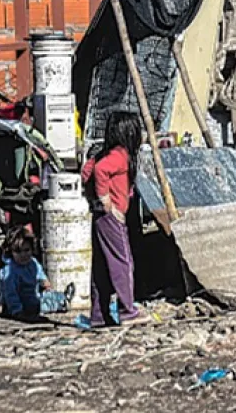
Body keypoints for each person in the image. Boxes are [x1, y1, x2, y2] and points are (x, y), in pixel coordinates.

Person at [81, 111, 150, 326]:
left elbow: (87, 170)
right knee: (123, 262)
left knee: (102, 265)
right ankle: (128, 311)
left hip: (100, 217)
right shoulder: (119, 156)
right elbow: (100, 170)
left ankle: (99, 315)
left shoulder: (105, 153)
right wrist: (106, 199)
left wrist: (94, 195)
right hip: (111, 217)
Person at [0, 226, 74, 321]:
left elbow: (40, 273)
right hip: (17, 303)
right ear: (10, 251)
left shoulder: (32, 263)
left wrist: (45, 282)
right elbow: (10, 294)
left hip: (33, 295)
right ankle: (61, 304)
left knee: (48, 295)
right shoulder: (10, 271)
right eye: (18, 251)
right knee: (45, 305)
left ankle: (63, 298)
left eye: (27, 250)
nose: (23, 255)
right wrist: (17, 311)